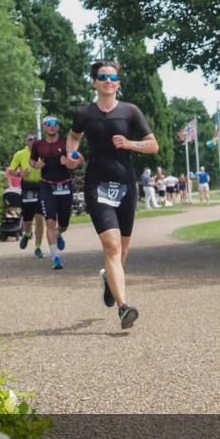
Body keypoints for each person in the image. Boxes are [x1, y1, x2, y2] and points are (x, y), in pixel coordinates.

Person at [64, 59, 158, 330]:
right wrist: (72, 155)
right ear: (94, 82)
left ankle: (109, 280)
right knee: (112, 246)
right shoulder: (84, 113)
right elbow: (73, 137)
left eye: (113, 77)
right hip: (97, 185)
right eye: (102, 76)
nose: (108, 80)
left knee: (123, 249)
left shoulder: (130, 112)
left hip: (126, 184)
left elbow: (153, 145)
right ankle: (123, 308)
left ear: (118, 83)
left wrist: (130, 143)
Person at [31, 116, 73, 270]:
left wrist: (68, 162)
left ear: (58, 127)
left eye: (55, 124)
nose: (52, 126)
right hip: (47, 186)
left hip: (64, 185)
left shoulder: (65, 142)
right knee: (50, 221)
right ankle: (55, 257)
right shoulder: (38, 145)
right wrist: (37, 165)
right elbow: (32, 160)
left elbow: (77, 160)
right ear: (43, 126)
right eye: (48, 124)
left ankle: (59, 233)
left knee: (64, 225)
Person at [9, 132, 47, 257]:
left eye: (35, 139)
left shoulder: (44, 152)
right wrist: (20, 175)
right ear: (26, 142)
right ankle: (27, 234)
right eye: (30, 139)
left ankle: (38, 247)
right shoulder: (19, 154)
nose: (33, 141)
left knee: (40, 218)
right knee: (27, 221)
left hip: (42, 187)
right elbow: (11, 171)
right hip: (27, 188)